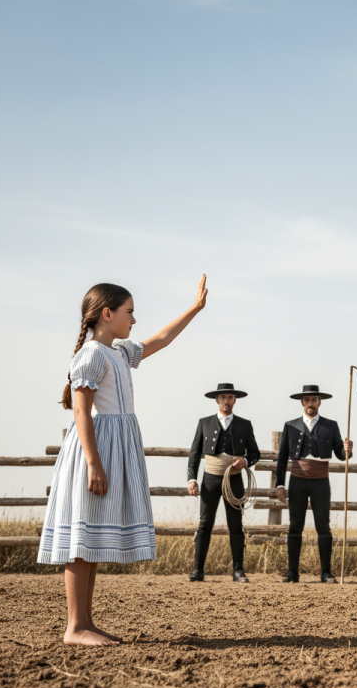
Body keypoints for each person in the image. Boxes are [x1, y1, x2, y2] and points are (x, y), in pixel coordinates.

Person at [38, 275, 208, 646]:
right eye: (129, 312)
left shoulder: (117, 353)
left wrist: (194, 309)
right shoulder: (90, 355)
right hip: (95, 449)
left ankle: (85, 621)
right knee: (82, 536)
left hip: (115, 446)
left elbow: (160, 340)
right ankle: (74, 626)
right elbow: (81, 413)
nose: (134, 320)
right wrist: (94, 464)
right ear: (107, 313)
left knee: (94, 535)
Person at [275, 385, 354, 583]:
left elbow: (341, 455)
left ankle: (326, 573)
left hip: (321, 482)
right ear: (302, 403)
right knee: (295, 527)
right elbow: (283, 457)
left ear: (319, 402)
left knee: (323, 527)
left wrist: (348, 450)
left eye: (314, 400)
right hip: (297, 481)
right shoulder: (290, 425)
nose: (310, 404)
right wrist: (280, 485)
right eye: (307, 400)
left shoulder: (330, 426)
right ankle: (292, 572)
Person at [187, 383, 261, 583]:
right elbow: (194, 454)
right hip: (210, 478)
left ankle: (238, 571)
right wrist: (192, 478)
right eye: (222, 397)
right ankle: (198, 570)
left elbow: (255, 453)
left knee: (236, 525)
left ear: (234, 400)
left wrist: (246, 461)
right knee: (204, 524)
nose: (226, 401)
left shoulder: (245, 424)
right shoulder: (204, 423)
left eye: (230, 397)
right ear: (217, 400)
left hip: (234, 479)